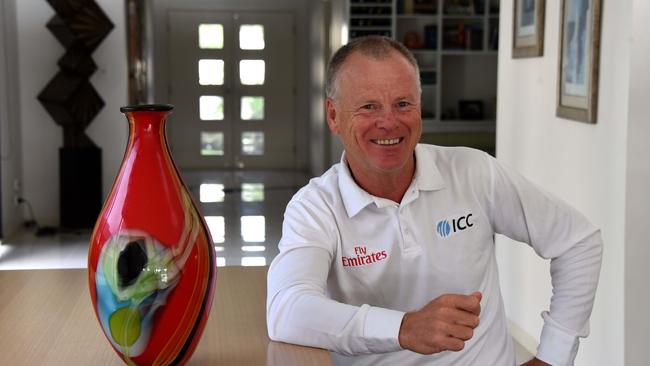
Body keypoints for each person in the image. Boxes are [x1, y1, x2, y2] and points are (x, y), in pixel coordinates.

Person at [266, 35, 602, 366]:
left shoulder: (473, 171)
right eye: (369, 106)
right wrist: (404, 328)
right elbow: (286, 309)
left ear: (419, 108)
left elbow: (578, 241)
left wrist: (554, 356)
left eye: (403, 104)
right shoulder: (315, 207)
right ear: (334, 116)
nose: (389, 121)